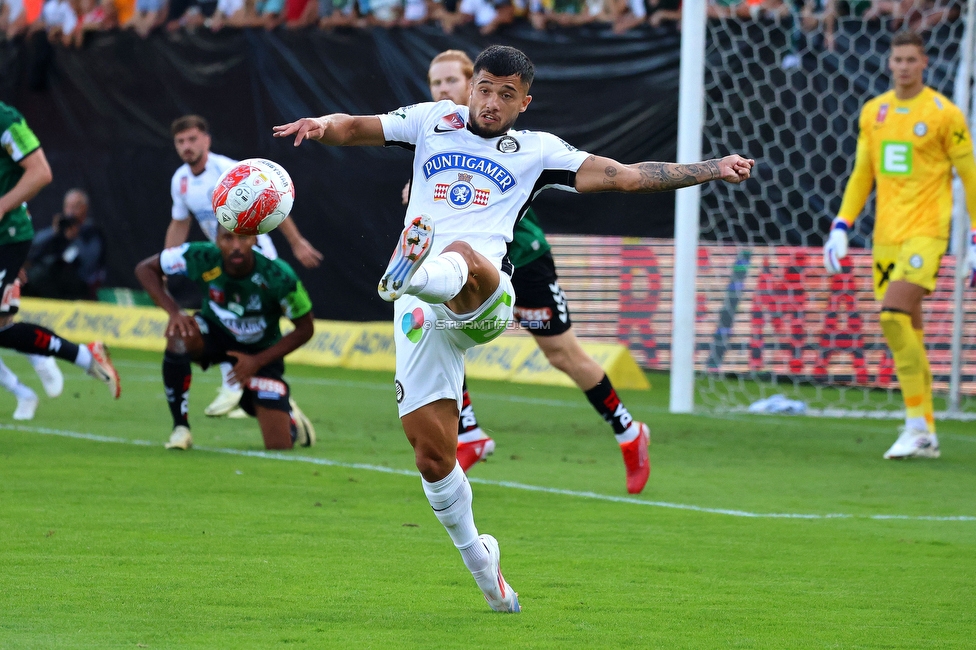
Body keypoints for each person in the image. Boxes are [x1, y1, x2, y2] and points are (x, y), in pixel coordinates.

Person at [274, 44, 753, 612]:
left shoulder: (537, 152)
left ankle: (416, 271)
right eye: (485, 88)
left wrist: (712, 169)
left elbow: (625, 177)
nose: (492, 102)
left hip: (486, 296)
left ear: (525, 102)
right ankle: (484, 566)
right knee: (433, 459)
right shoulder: (431, 121)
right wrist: (321, 124)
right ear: (470, 86)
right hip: (423, 317)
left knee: (459, 253)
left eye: (507, 94)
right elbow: (356, 128)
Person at [409, 50, 652, 495]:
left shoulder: (512, 142)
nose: (442, 91)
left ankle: (628, 431)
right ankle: (470, 432)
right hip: (464, 271)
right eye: (435, 83)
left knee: (562, 355)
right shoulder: (433, 132)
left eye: (450, 81)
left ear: (473, 86)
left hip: (524, 260)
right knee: (440, 325)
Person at [825, 30, 976, 460]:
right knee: (908, 329)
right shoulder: (875, 112)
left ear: (924, 62)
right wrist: (841, 224)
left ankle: (915, 425)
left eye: (912, 59)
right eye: (898, 59)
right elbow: (862, 175)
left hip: (927, 233)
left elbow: (970, 177)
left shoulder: (945, 113)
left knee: (892, 315)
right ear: (889, 63)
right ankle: (925, 430)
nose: (904, 66)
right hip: (885, 239)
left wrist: (975, 235)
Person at [167, 114, 323, 420]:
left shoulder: (229, 171)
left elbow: (272, 201)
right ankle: (241, 385)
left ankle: (263, 388)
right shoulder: (180, 180)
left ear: (207, 140)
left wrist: (296, 242)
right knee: (227, 318)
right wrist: (169, 260)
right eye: (180, 141)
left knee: (256, 324)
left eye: (192, 139)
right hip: (224, 261)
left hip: (255, 257)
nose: (187, 146)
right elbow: (179, 221)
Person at [135, 227, 317, 451]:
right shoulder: (201, 256)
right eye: (228, 238)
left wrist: (257, 362)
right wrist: (174, 312)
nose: (236, 246)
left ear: (254, 239)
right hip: (215, 334)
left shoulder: (278, 275)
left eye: (243, 238)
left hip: (260, 350)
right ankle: (180, 428)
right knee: (178, 335)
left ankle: (284, 412)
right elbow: (145, 269)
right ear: (217, 240)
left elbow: (305, 329)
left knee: (279, 446)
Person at [0, 101, 120, 421]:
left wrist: (1, 207)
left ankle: (40, 374)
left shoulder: (6, 120)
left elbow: (40, 172)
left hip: (6, 236)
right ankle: (71, 360)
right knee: (2, 327)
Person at [26, 188, 106, 301]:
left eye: (75, 207)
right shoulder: (59, 229)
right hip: (52, 279)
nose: (71, 212)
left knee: (47, 275)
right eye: (68, 206)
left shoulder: (92, 232)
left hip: (80, 283)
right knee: (34, 275)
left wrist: (76, 238)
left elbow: (89, 264)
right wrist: (54, 232)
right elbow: (34, 243)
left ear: (84, 208)